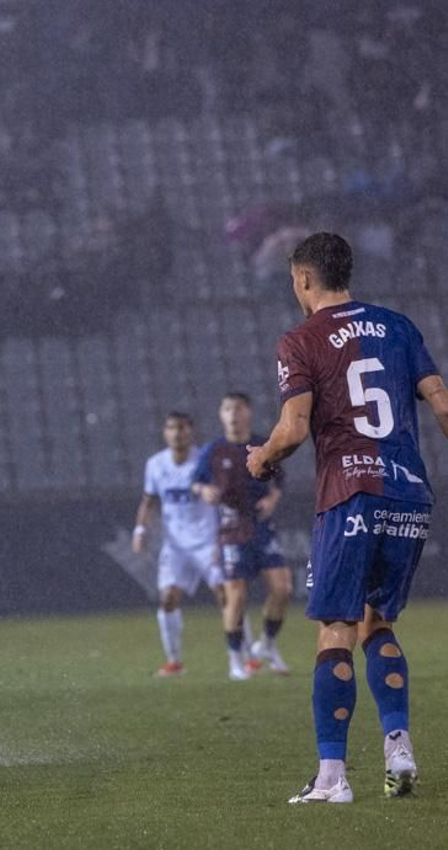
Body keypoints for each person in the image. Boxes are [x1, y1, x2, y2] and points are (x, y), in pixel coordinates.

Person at [248, 232, 447, 803]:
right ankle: (399, 746)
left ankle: (333, 778)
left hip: (350, 494)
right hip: (410, 493)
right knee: (377, 623)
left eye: (293, 280)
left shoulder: (301, 339)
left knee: (335, 628)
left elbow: (291, 430)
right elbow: (443, 404)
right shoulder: (399, 327)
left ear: (304, 279)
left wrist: (259, 459)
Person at [192, 393, 292, 680]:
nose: (232, 414)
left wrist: (273, 498)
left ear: (248, 412)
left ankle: (267, 645)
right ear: (221, 415)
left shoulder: (263, 444)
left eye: (238, 408)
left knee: (282, 589)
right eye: (227, 409)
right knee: (236, 596)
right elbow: (196, 483)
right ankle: (235, 659)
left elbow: (279, 478)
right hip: (231, 530)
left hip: (260, 526)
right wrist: (204, 491)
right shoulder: (214, 450)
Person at [132, 412, 230, 677]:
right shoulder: (155, 464)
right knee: (167, 599)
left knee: (227, 595)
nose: (177, 433)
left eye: (183, 428)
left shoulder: (205, 461)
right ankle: (174, 662)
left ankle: (243, 655)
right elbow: (149, 500)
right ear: (165, 433)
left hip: (208, 540)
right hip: (175, 546)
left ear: (191, 432)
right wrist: (141, 529)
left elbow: (223, 494)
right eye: (172, 428)